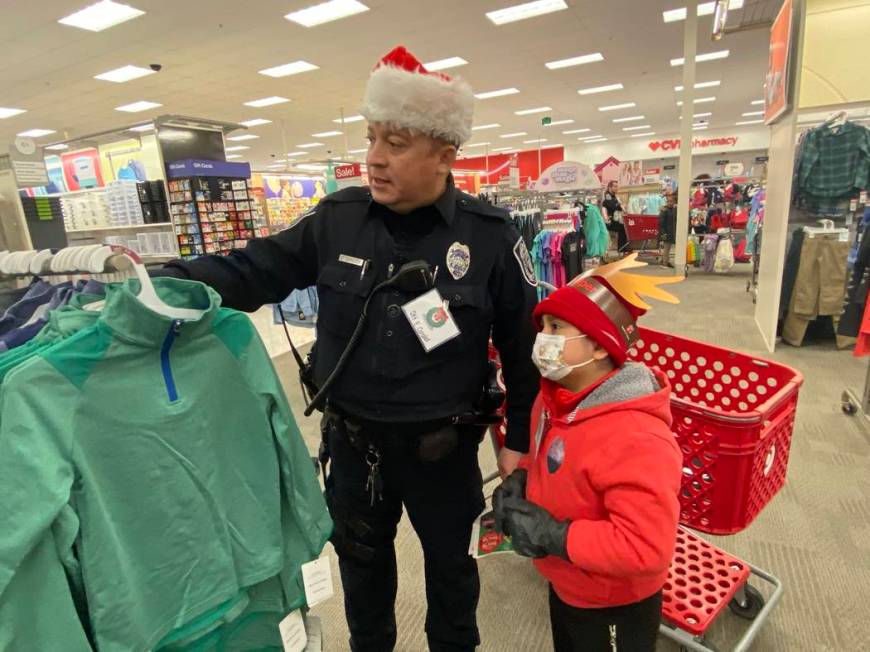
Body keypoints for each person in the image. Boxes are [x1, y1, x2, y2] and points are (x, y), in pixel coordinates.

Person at [157, 45, 539, 652]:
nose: (374, 159)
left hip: (444, 451)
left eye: (395, 143)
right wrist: (163, 279)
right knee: (363, 584)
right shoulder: (336, 220)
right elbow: (257, 268)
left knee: (452, 580)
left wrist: (517, 442)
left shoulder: (488, 236)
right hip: (354, 447)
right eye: (371, 138)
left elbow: (524, 350)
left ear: (446, 153)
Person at [493, 255, 683, 652]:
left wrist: (553, 535)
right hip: (567, 579)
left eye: (557, 327)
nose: (542, 338)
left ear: (599, 347)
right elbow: (554, 461)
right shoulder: (553, 402)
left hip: (615, 599)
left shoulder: (636, 436)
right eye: (542, 326)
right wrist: (523, 478)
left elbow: (644, 547)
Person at [602, 180, 630, 255]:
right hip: (609, 222)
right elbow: (614, 206)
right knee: (622, 228)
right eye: (615, 186)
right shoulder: (608, 196)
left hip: (615, 220)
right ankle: (622, 249)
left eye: (617, 186)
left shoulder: (614, 196)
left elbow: (618, 206)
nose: (617, 188)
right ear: (610, 187)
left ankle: (623, 248)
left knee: (624, 228)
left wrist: (620, 206)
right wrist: (620, 205)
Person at [659, 192, 678, 268]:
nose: (670, 202)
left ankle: (666, 261)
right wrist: (663, 233)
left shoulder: (673, 209)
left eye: (671, 201)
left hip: (672, 232)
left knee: (668, 248)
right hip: (666, 232)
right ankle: (664, 263)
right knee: (666, 248)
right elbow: (661, 223)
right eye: (668, 201)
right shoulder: (664, 210)